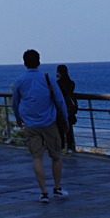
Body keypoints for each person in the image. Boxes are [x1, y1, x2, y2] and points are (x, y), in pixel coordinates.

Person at [11, 49, 69, 203]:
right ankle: (57, 187)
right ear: (39, 62)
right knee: (56, 156)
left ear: (24, 63)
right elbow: (60, 100)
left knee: (37, 157)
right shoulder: (47, 78)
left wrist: (18, 117)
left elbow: (15, 102)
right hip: (49, 122)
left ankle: (43, 192)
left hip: (30, 123)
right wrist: (66, 120)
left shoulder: (20, 80)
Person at [55, 64, 78, 152]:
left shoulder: (58, 83)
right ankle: (70, 147)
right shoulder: (71, 83)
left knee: (60, 128)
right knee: (69, 128)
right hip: (70, 107)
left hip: (61, 107)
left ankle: (61, 147)